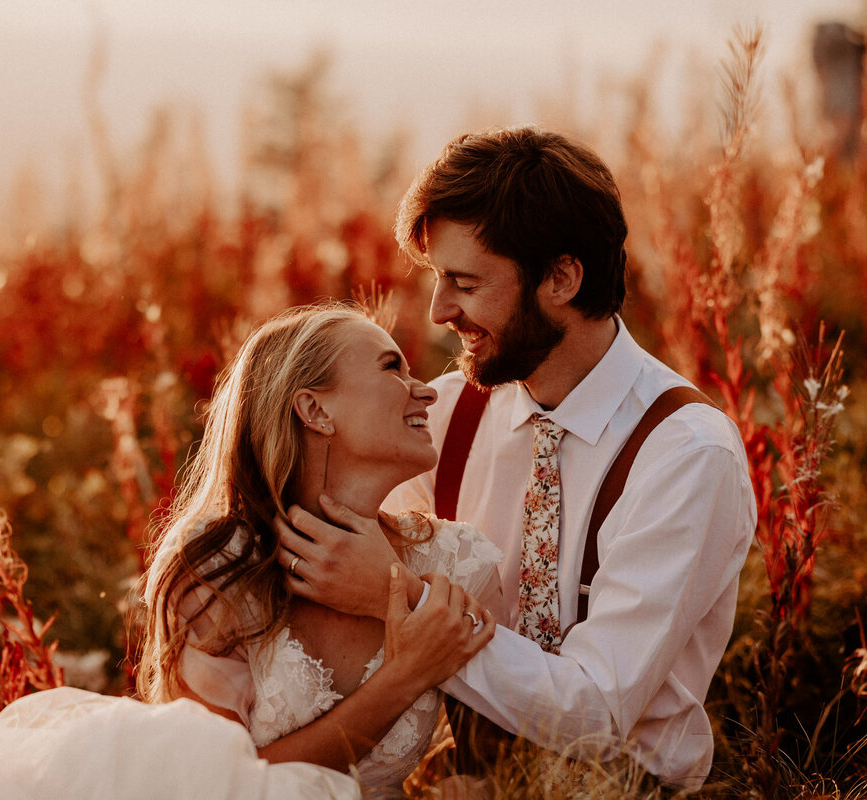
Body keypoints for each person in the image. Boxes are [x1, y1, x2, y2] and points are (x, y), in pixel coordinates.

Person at [276, 127, 756, 791]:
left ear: (561, 278)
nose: (441, 310)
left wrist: (403, 599)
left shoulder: (685, 456)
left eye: (464, 282)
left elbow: (595, 711)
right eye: (439, 280)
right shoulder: (439, 417)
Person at [0, 304, 501, 800]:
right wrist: (403, 679)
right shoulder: (219, 570)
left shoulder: (458, 566)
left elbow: (493, 769)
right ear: (316, 411)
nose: (425, 389)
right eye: (391, 367)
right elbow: (211, 784)